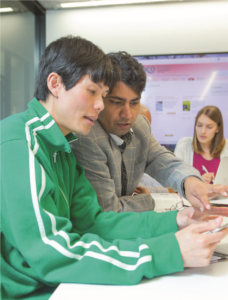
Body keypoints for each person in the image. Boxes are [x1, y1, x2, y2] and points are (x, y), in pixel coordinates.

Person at [1, 37, 228, 300]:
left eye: (103, 95)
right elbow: (50, 253)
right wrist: (168, 251)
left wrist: (176, 220)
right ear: (55, 84)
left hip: (56, 284)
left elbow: (94, 223)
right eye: (93, 92)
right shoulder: (19, 142)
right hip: (28, 290)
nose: (100, 104)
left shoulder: (61, 146)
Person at [72, 52, 227, 213]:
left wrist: (190, 181)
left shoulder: (140, 126)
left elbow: (162, 159)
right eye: (117, 102)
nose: (127, 114)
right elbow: (108, 211)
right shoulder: (87, 137)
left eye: (134, 103)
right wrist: (146, 201)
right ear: (100, 98)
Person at [175, 106, 228, 184]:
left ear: (218, 129)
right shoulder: (183, 146)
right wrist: (196, 182)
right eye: (199, 125)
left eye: (209, 127)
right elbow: (174, 182)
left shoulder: (226, 147)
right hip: (192, 196)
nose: (202, 131)